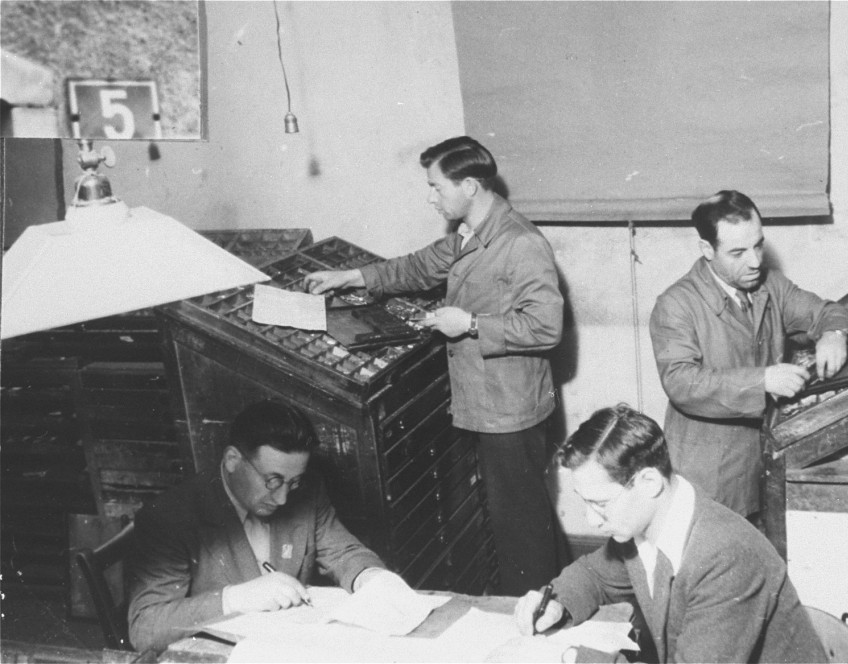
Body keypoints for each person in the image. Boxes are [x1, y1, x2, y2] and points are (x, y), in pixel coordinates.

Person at [303, 136, 565, 595]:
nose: (430, 197)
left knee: (520, 525)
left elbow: (546, 326)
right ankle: (555, 593)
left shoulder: (519, 242)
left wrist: (469, 323)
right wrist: (352, 276)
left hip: (509, 409)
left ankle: (536, 615)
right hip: (488, 401)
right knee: (524, 516)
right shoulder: (472, 232)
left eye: (436, 187)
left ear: (468, 185)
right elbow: (420, 267)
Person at [504, 405, 826, 664]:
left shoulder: (725, 557)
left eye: (600, 504)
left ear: (649, 483)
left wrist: (580, 659)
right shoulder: (647, 525)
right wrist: (556, 600)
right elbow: (594, 575)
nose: (591, 519)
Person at [649, 190, 848, 518]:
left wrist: (835, 334)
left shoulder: (770, 284)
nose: (756, 261)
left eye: (758, 244)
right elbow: (681, 383)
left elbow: (825, 312)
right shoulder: (675, 305)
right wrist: (763, 380)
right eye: (738, 252)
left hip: (764, 460)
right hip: (710, 475)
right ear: (707, 249)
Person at [127, 400, 388, 651]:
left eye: (294, 481)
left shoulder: (307, 492)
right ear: (232, 459)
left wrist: (372, 578)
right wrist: (234, 599)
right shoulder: (170, 516)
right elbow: (145, 628)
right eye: (272, 481)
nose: (283, 498)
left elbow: (344, 552)